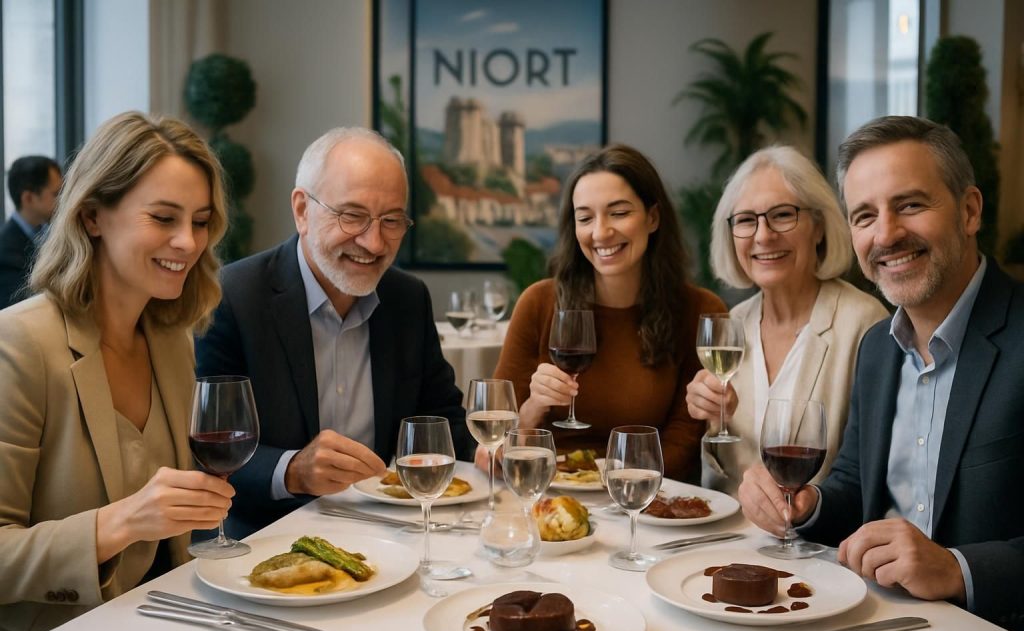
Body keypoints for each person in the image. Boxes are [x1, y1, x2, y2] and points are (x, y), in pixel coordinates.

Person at [738, 116, 1024, 631]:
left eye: (910, 204)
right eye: (865, 215)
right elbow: (854, 486)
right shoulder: (878, 348)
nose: (886, 234)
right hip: (871, 624)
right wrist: (807, 505)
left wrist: (958, 568)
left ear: (969, 210)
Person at [0, 112, 235, 631]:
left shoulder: (172, 340)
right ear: (91, 217)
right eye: (163, 217)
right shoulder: (20, 344)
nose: (188, 242)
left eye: (200, 221)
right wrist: (121, 522)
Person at [195, 127, 470, 538]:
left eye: (391, 220)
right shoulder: (231, 296)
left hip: (392, 536)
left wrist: (493, 451)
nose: (374, 243)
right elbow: (205, 451)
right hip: (264, 541)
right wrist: (292, 470)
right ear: (302, 210)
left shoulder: (407, 299)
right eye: (352, 216)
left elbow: (443, 422)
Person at [490, 143, 726, 482]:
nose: (600, 232)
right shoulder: (538, 303)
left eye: (618, 213)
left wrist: (610, 486)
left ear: (653, 217)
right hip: (551, 496)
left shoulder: (700, 311)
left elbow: (682, 443)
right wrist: (532, 409)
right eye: (585, 218)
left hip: (649, 500)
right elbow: (493, 447)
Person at [685, 146, 887, 494]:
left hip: (822, 543)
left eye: (781, 215)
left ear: (819, 228)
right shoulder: (734, 323)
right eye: (747, 220)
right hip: (734, 540)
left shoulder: (866, 324)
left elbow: (874, 475)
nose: (763, 236)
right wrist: (714, 421)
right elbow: (721, 486)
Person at [1, 155, 62, 308]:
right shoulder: (5, 252)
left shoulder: (49, 234)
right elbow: (22, 308)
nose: (62, 200)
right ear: (28, 198)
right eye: (56, 194)